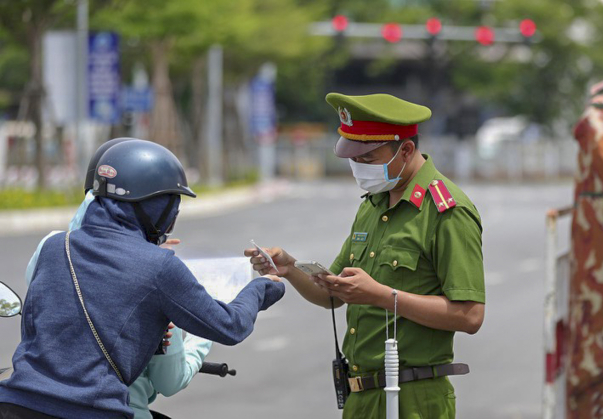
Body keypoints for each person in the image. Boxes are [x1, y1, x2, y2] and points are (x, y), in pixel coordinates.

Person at [0, 139, 285, 418]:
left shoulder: (54, 246)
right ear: (154, 207)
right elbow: (230, 326)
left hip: (15, 404)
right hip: (93, 410)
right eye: (171, 206)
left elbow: (33, 327)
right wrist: (262, 288)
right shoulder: (159, 267)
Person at [246, 93, 485, 418]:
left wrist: (381, 296)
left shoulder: (446, 210)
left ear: (406, 150)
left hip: (415, 398)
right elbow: (334, 294)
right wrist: (289, 267)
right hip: (361, 396)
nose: (358, 168)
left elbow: (470, 316)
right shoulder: (373, 205)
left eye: (368, 158)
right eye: (353, 159)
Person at [23, 138, 214, 419]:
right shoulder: (156, 274)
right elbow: (169, 381)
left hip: (33, 403)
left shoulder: (51, 249)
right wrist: (200, 338)